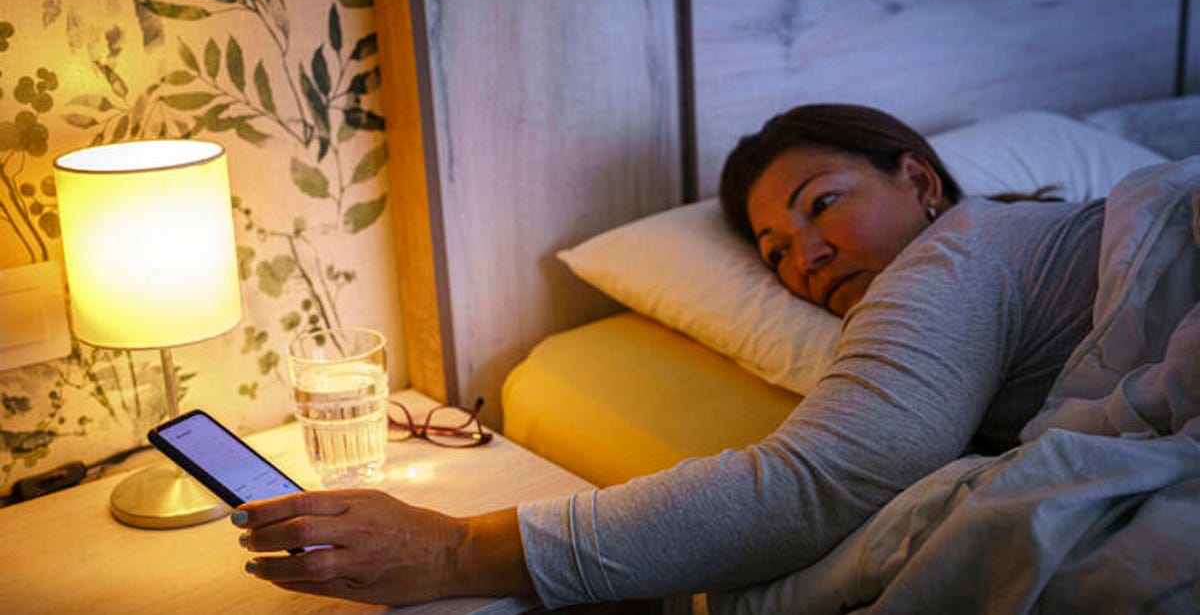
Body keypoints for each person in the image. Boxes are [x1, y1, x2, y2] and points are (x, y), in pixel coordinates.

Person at [231, 104, 1104, 608]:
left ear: (919, 180)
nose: (804, 259)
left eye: (822, 203)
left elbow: (818, 483)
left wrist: (457, 551)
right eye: (773, 251)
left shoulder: (957, 254)